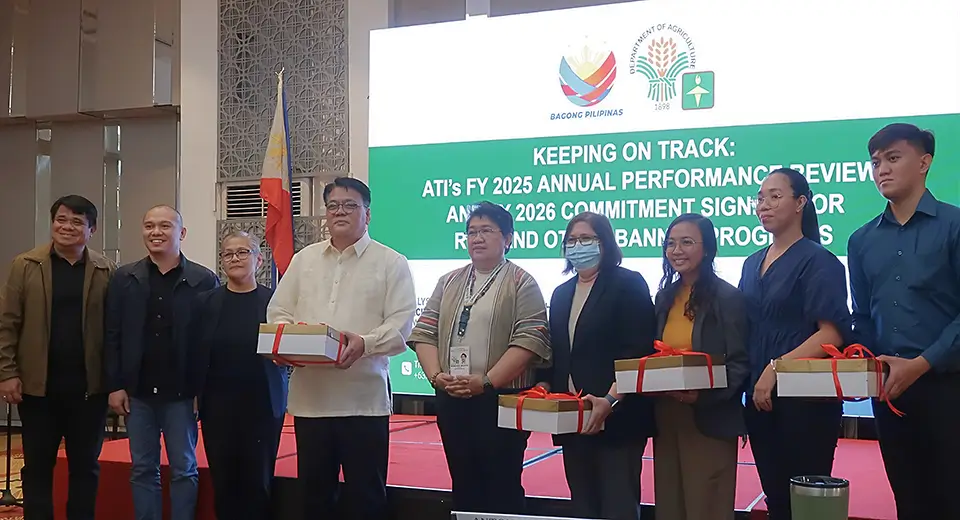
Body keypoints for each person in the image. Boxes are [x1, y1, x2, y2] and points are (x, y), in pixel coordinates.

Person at [267, 177, 416, 520]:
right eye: (333, 206)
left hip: (363, 403)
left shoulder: (391, 262)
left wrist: (365, 343)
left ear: (368, 214)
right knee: (314, 498)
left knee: (366, 498)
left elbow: (401, 326)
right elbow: (278, 312)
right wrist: (286, 344)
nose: (340, 212)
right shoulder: (304, 260)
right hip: (311, 402)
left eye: (350, 205)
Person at [409, 201, 552, 515]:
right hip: (453, 398)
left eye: (487, 230)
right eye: (472, 232)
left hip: (502, 400)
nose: (477, 238)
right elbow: (424, 333)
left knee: (502, 485)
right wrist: (436, 377)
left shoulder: (522, 282)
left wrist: (486, 382)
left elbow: (529, 341)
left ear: (508, 238)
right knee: (463, 482)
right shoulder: (448, 281)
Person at [848, 123, 960, 520]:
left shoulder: (954, 225)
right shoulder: (861, 240)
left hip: (947, 387)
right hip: (889, 391)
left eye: (893, 158)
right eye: (875, 162)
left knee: (950, 499)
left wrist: (922, 363)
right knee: (908, 501)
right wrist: (862, 368)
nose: (882, 169)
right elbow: (862, 316)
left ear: (924, 162)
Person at [738, 168, 851, 520]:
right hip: (760, 402)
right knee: (777, 502)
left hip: (805, 402)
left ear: (801, 202)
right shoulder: (751, 263)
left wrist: (776, 368)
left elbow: (831, 334)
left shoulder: (819, 261)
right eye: (760, 198)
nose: (764, 205)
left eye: (775, 196)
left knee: (807, 505)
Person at [0, 195, 115, 520]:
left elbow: (114, 330)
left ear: (91, 229)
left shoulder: (105, 270)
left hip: (89, 391)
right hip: (38, 390)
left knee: (86, 468)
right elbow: (7, 323)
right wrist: (7, 372)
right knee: (37, 468)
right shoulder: (25, 265)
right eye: (61, 219)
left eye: (77, 222)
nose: (67, 227)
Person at [103, 205, 219, 520]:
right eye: (149, 225)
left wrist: (202, 390)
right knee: (143, 468)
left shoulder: (203, 279)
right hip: (137, 392)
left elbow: (210, 342)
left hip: (182, 393)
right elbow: (112, 334)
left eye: (165, 226)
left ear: (181, 233)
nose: (156, 232)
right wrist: (114, 385)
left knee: (184, 468)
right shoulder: (124, 278)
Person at [536, 212, 653, 520]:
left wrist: (611, 400)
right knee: (583, 507)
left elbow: (638, 351)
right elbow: (557, 353)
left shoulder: (628, 284)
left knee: (618, 507)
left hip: (617, 417)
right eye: (572, 240)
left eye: (586, 238)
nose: (578, 246)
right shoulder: (561, 293)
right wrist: (543, 389)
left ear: (605, 242)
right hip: (572, 419)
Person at [653, 213, 749, 520]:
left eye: (686, 242)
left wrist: (702, 396)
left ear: (707, 249)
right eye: (670, 243)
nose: (676, 250)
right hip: (668, 416)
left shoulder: (727, 297)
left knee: (706, 507)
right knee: (670, 505)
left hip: (709, 419)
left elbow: (739, 363)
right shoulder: (665, 297)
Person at [188, 231, 287, 520]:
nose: (235, 259)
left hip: (263, 406)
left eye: (243, 252)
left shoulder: (275, 303)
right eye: (228, 254)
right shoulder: (205, 303)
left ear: (259, 260)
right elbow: (193, 351)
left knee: (258, 481)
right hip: (218, 407)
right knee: (224, 481)